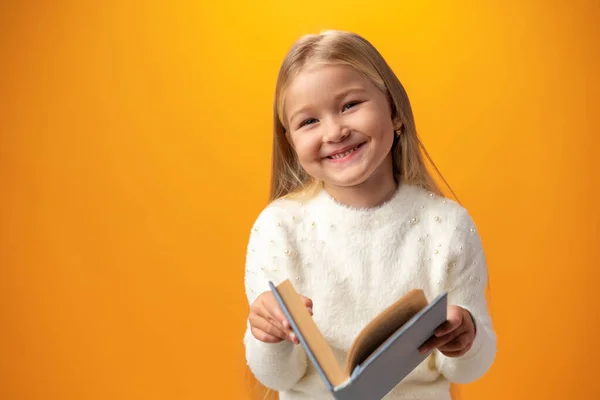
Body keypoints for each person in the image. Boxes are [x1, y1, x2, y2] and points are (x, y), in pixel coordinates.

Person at [242, 29, 496, 400]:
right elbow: (278, 374)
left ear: (394, 111)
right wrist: (267, 337)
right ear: (291, 142)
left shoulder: (447, 226)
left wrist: (466, 337)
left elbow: (473, 366)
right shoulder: (278, 229)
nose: (334, 131)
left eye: (349, 105)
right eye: (309, 121)